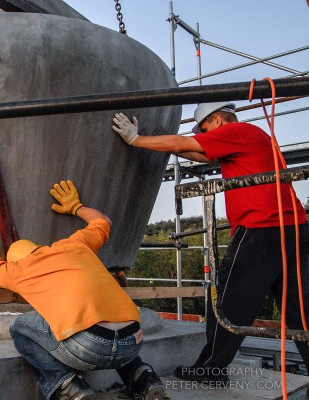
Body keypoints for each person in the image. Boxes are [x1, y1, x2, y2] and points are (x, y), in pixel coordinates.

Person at [111, 103, 309, 383]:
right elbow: (196, 153)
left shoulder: (237, 131)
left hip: (262, 228)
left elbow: (184, 145)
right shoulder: (251, 138)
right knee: (301, 308)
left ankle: (211, 370)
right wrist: (162, 144)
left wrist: (136, 139)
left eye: (204, 130)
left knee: (227, 301)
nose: (203, 136)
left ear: (216, 120)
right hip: (294, 228)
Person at [0, 180, 165, 400]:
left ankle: (69, 387)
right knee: (114, 324)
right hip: (133, 341)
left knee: (20, 328)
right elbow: (103, 221)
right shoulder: (76, 245)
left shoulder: (20, 270)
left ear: (18, 260)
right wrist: (76, 206)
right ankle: (144, 379)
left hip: (90, 347)